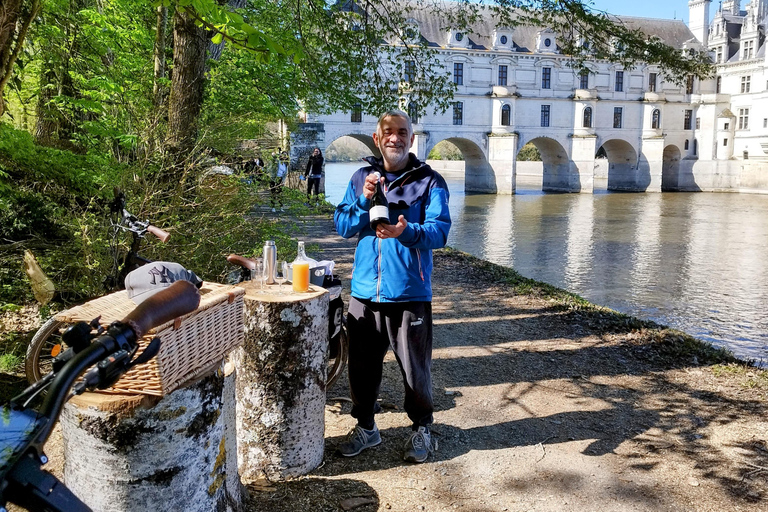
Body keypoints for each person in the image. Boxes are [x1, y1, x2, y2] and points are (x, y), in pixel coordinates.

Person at [333, 110, 451, 463]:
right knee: (361, 369)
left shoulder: (430, 181)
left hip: (410, 294)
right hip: (365, 292)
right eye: (388, 132)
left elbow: (440, 231)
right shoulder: (360, 177)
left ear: (411, 139)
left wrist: (407, 233)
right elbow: (342, 226)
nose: (395, 138)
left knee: (416, 371)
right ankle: (367, 428)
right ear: (377, 137)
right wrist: (361, 200)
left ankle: (421, 430)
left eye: (402, 132)